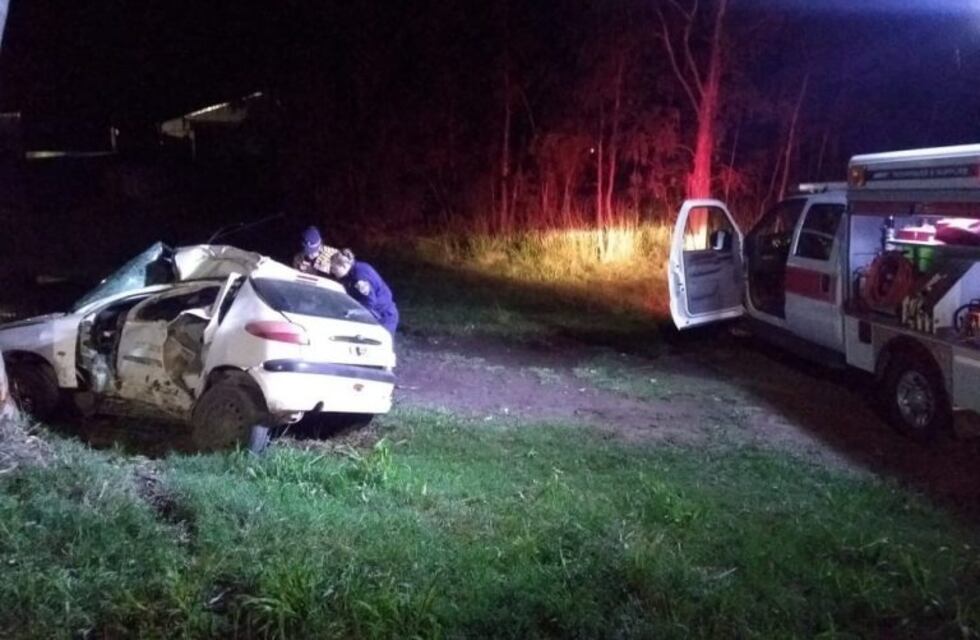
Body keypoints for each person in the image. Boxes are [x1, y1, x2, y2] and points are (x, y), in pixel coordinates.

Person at [329, 249, 399, 335]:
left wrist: (353, 313)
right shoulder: (353, 271)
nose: (332, 271)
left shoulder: (359, 277)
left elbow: (369, 303)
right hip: (377, 315)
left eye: (333, 268)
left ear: (343, 266)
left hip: (383, 317)